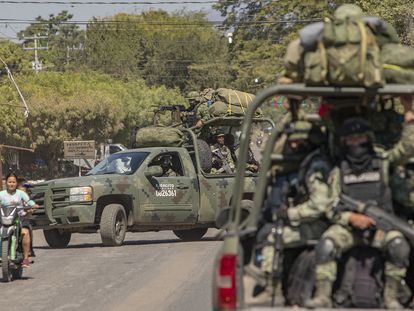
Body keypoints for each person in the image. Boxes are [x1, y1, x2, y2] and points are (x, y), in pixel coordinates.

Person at [305, 100, 414, 309]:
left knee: (399, 246)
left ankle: (391, 297)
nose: (357, 142)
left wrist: (409, 114)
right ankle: (323, 296)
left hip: (382, 228)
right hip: (349, 227)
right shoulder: (339, 170)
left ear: (369, 138)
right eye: (351, 139)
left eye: (361, 137)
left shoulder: (382, 162)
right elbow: (330, 206)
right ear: (344, 142)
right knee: (326, 245)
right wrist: (351, 218)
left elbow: (406, 149)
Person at [257, 120, 331, 295]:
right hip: (318, 218)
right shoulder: (308, 161)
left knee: (273, 237)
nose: (295, 146)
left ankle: (271, 287)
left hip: (324, 222)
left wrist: (290, 214)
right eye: (293, 142)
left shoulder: (317, 164)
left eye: (299, 142)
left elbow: (320, 204)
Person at [0, 173, 39, 268]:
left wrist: (33, 205)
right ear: (6, 183)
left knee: (25, 233)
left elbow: (29, 201)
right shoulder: (1, 194)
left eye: (13, 182)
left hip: (19, 218)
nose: (11, 184)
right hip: (4, 218)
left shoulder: (20, 193)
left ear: (16, 183)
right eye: (9, 182)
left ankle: (25, 259)